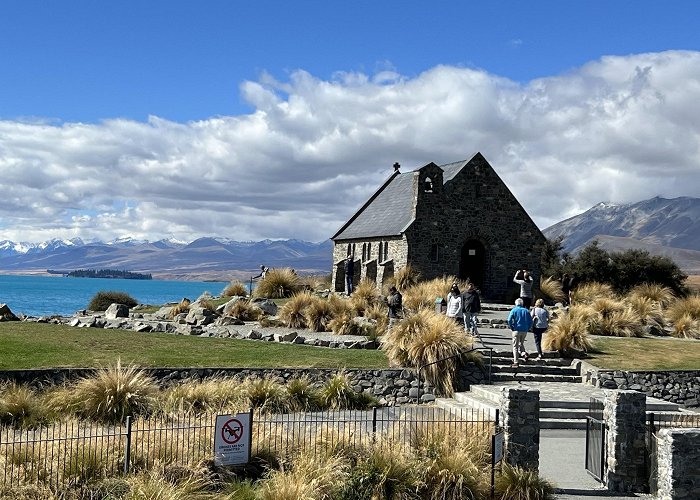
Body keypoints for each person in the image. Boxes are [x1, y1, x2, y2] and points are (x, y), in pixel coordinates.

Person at [507, 298, 533, 368]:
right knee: (521, 343)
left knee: (515, 346)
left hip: (516, 329)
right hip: (524, 330)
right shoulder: (526, 311)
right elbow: (531, 321)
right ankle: (524, 354)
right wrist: (528, 328)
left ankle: (516, 362)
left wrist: (511, 326)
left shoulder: (514, 310)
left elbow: (509, 319)